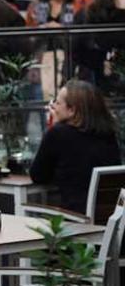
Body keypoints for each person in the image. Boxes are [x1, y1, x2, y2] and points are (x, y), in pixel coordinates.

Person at [31, 80, 121, 212]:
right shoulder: (108, 134)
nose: (53, 107)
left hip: (76, 220)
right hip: (109, 220)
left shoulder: (58, 133)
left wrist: (54, 127)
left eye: (57, 102)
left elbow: (38, 175)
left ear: (72, 110)